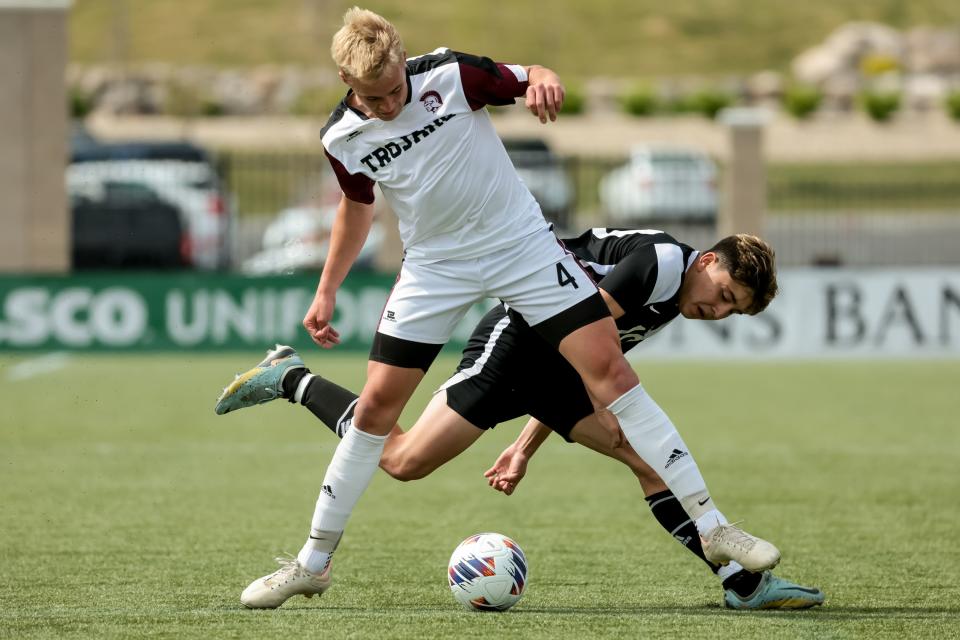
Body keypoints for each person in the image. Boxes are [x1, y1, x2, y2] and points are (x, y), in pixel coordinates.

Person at [227, 6, 780, 609]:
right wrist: (327, 287)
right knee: (380, 416)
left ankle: (715, 523)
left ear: (404, 64)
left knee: (613, 375)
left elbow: (529, 73)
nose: (388, 107)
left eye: (394, 93)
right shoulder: (342, 136)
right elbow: (356, 206)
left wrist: (543, 78)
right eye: (373, 99)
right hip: (435, 266)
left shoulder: (451, 75)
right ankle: (312, 562)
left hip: (521, 247)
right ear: (346, 85)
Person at [218, 228, 823, 610]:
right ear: (709, 261)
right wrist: (547, 420)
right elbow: (577, 339)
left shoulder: (674, 295)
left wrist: (526, 446)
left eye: (732, 311)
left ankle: (742, 587)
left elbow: (592, 362)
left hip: (552, 364)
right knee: (402, 460)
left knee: (642, 458)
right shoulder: (661, 264)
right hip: (516, 345)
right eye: (724, 294)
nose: (718, 310)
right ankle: (291, 378)